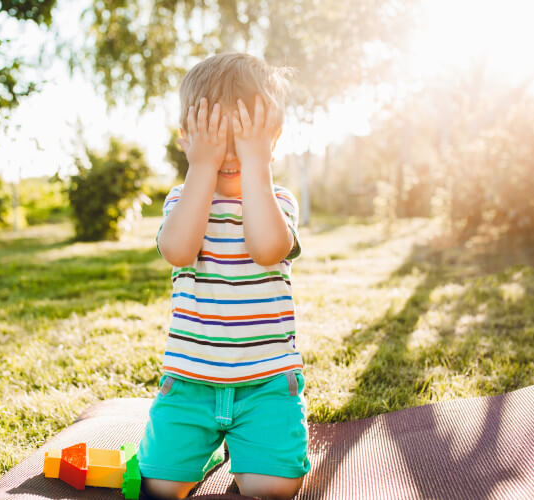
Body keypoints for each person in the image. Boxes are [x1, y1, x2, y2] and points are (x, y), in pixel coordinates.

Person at [138, 52, 309, 500]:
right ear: (187, 137)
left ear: (272, 138)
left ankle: (246, 449)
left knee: (273, 489)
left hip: (266, 382)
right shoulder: (182, 198)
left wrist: (257, 163)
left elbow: (268, 247)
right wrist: (202, 166)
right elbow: (177, 250)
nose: (230, 152)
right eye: (216, 137)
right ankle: (213, 449)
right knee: (159, 487)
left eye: (245, 137)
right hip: (190, 383)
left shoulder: (279, 201)